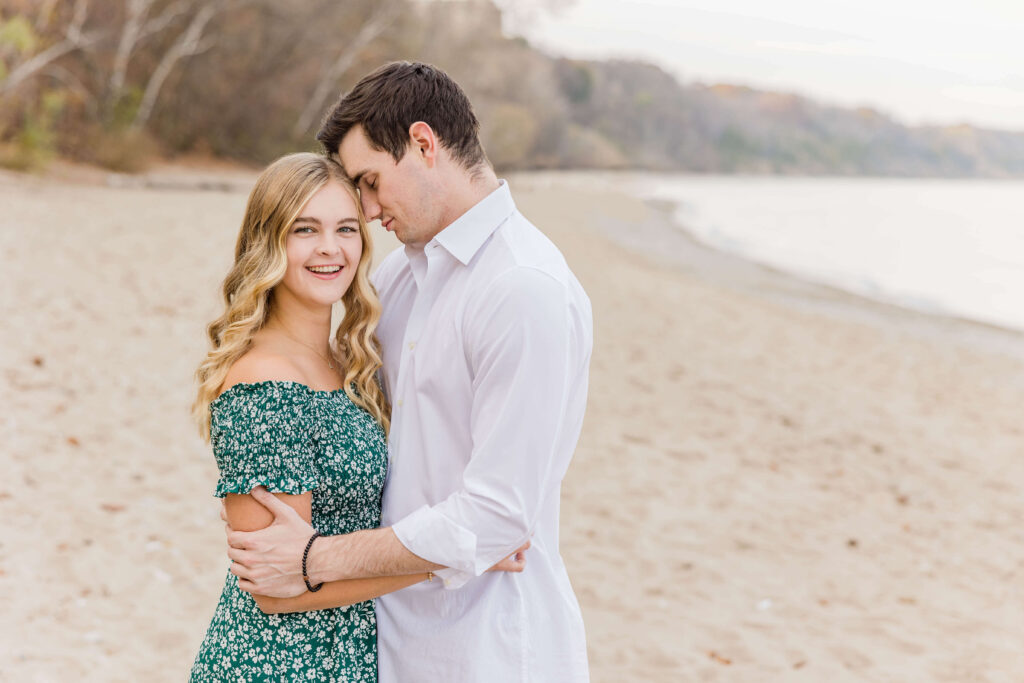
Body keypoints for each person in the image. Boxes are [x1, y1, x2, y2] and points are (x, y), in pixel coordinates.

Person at [224, 62, 593, 682]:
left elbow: (499, 516)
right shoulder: (398, 280)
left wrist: (316, 557)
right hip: (388, 646)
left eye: (369, 183)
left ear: (424, 144)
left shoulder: (522, 289)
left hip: (490, 649)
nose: (366, 212)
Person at [187, 152, 525, 681]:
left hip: (353, 654)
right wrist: (446, 559)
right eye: (305, 229)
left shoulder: (352, 363)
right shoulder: (261, 385)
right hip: (276, 662)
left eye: (346, 228)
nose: (330, 248)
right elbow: (276, 592)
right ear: (267, 243)